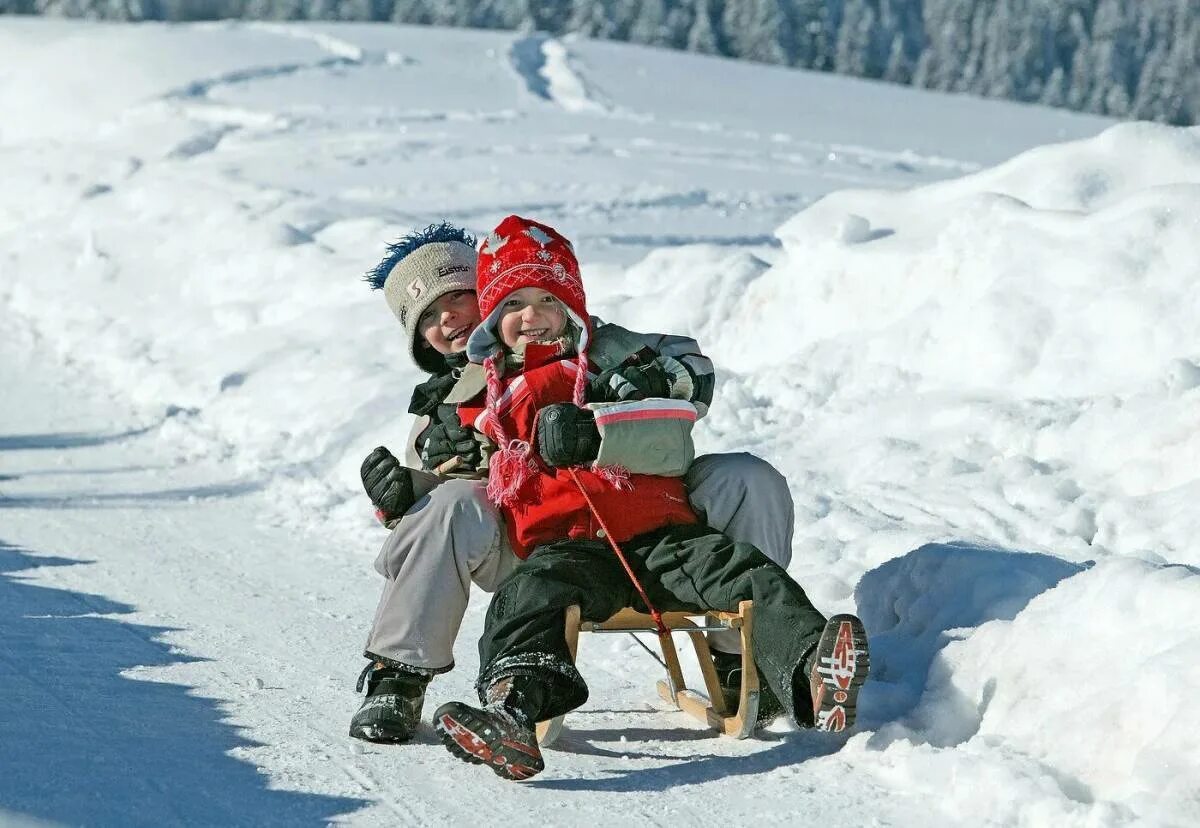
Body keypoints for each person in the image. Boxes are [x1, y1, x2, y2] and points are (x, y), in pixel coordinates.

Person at [431, 215, 869, 781]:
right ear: (493, 321)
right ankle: (514, 707)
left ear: (573, 306)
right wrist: (419, 471)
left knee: (751, 576)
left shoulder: (617, 365)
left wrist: (610, 416)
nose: (532, 317)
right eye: (514, 305)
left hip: (666, 536)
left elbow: (675, 413)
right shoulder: (483, 396)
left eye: (548, 298)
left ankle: (811, 673)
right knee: (528, 597)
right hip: (568, 550)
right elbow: (455, 465)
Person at [350, 222, 797, 744]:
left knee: (745, 476)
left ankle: (745, 656)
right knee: (449, 502)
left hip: (657, 525)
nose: (446, 317)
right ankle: (398, 678)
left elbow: (693, 370)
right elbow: (443, 520)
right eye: (426, 315)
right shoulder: (443, 410)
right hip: (535, 548)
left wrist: (642, 387)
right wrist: (407, 491)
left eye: (456, 296)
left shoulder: (605, 345)